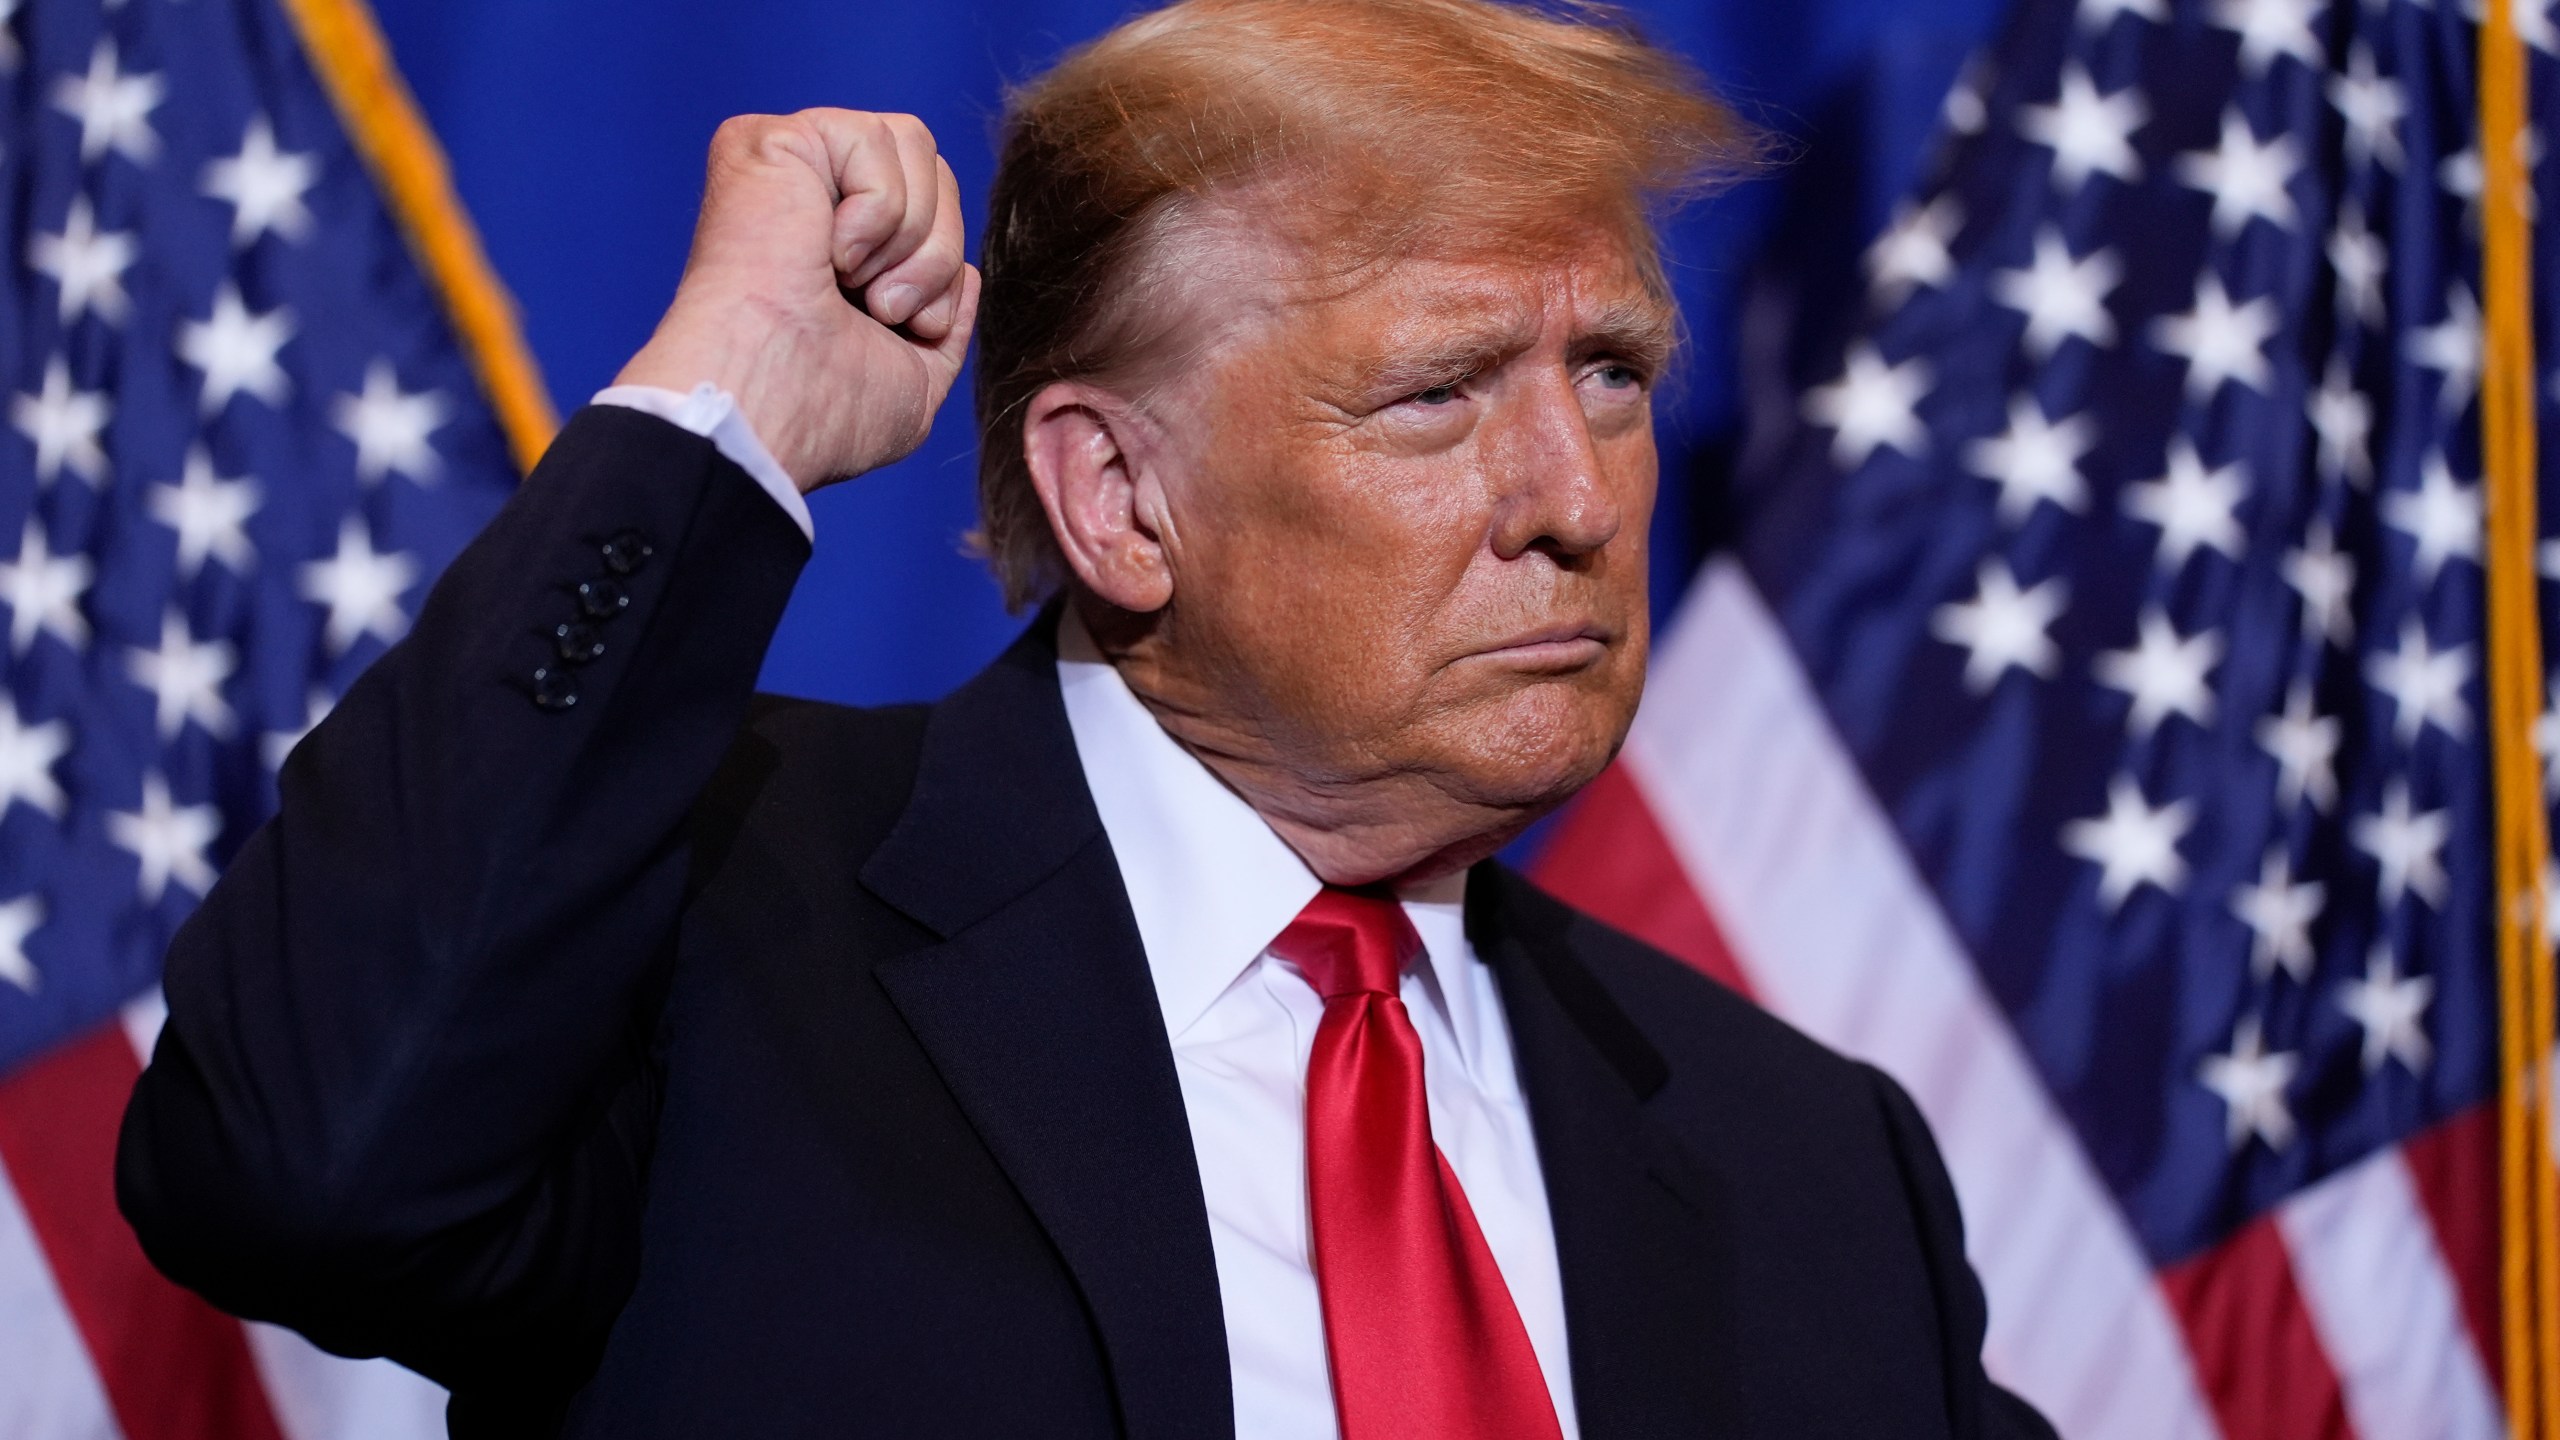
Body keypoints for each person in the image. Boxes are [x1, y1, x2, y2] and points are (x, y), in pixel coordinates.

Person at [118, 1, 2058, 1436]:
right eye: (1437, 394)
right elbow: (297, 1169)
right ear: (1119, 501)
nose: (1572, 493)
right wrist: (728, 401)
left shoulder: (1805, 1164)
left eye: (1616, 369)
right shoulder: (709, 927)